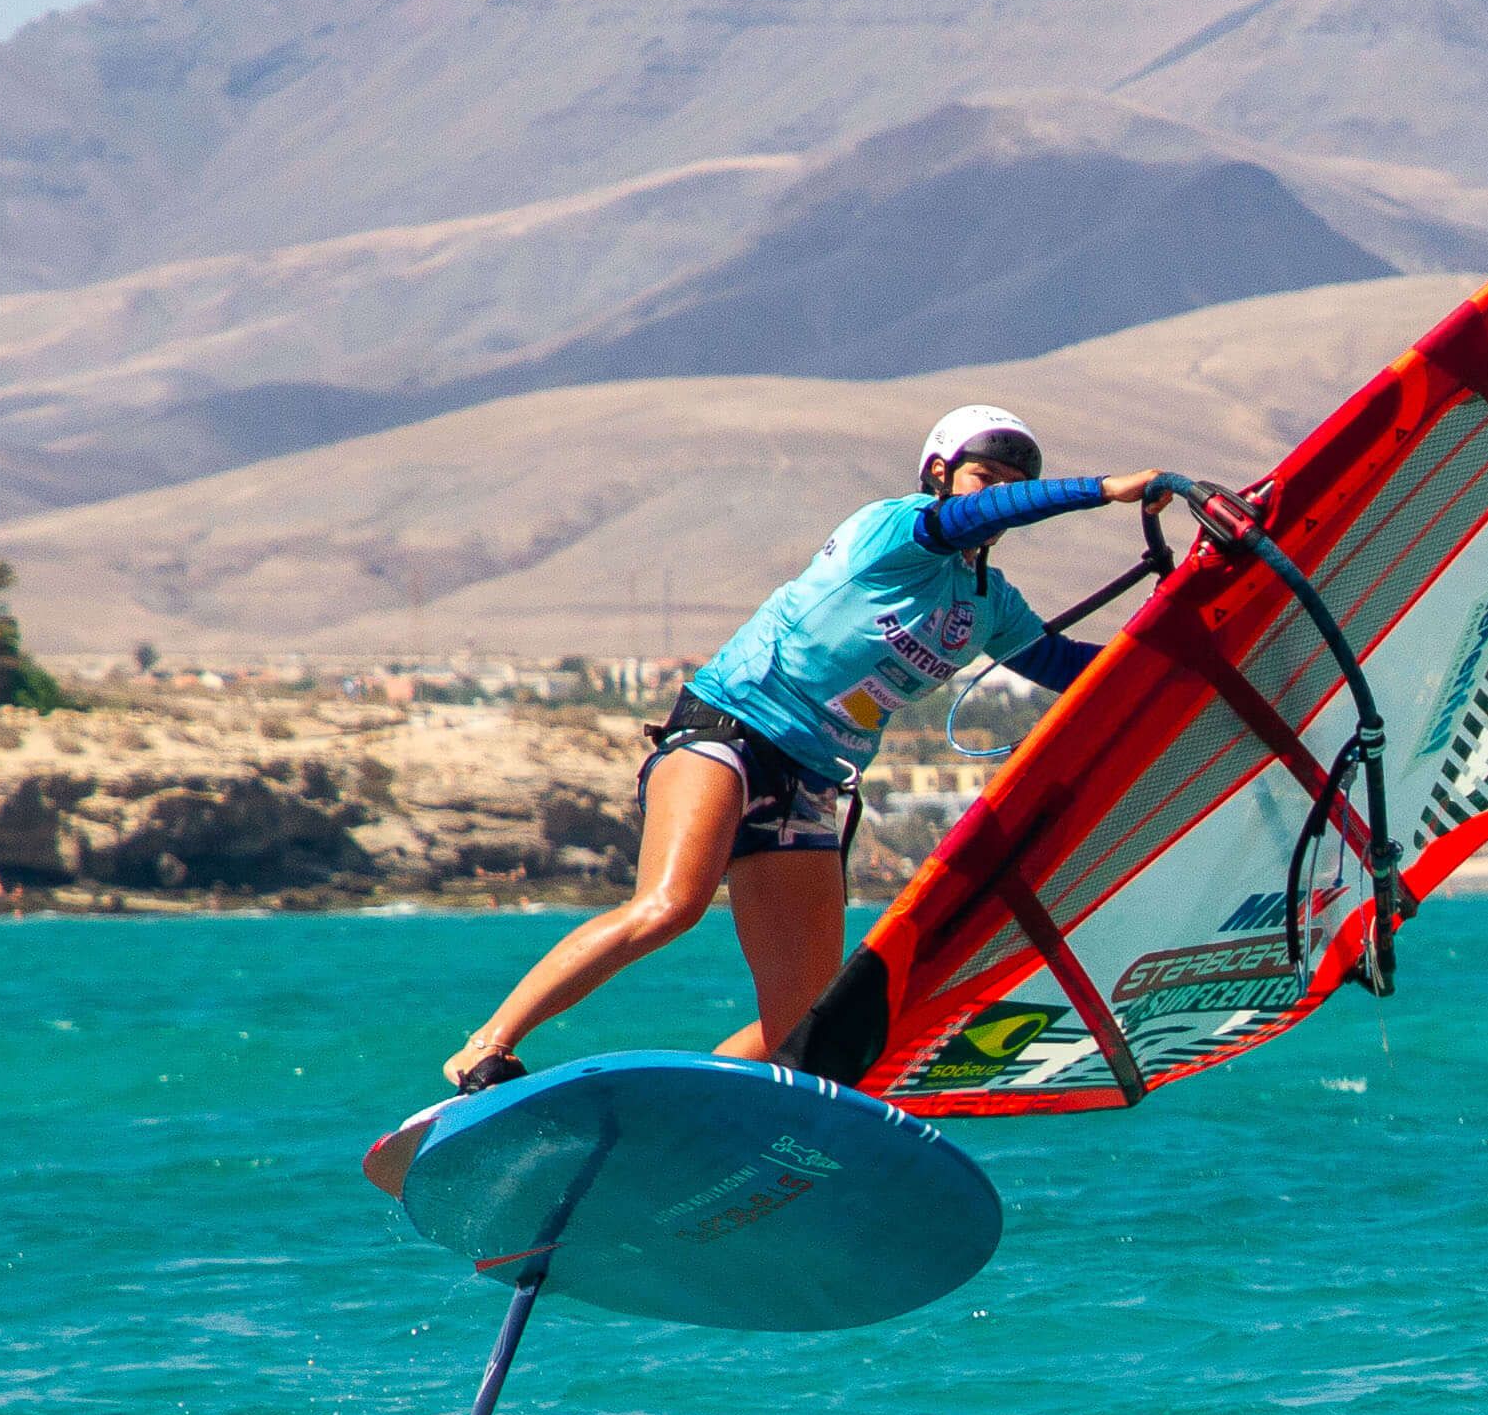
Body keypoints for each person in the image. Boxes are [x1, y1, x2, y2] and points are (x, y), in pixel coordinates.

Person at [441, 405, 1171, 1093]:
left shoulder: (987, 602)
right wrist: (1102, 491)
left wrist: (1186, 630)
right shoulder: (897, 529)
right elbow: (966, 519)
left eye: (1020, 489)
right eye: (988, 480)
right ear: (941, 475)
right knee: (669, 907)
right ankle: (487, 1046)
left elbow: (1065, 667)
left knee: (806, 1029)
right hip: (727, 732)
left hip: (812, 785)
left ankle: (715, 1101)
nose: (1004, 499)